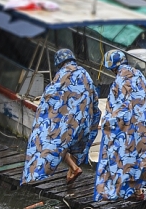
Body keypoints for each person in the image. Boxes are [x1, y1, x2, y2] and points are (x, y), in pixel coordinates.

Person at [21, 49, 101, 185]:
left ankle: (73, 168)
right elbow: (94, 98)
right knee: (73, 143)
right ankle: (71, 172)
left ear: (59, 62)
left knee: (53, 138)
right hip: (84, 122)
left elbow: (50, 96)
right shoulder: (84, 73)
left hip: (70, 124)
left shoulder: (62, 74)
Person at [93, 50, 146, 202]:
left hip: (128, 127)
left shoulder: (120, 80)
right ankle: (138, 191)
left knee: (121, 155)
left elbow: (117, 110)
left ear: (112, 67)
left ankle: (115, 191)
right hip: (144, 125)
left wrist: (107, 123)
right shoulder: (139, 75)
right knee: (139, 155)